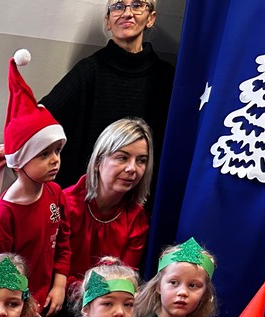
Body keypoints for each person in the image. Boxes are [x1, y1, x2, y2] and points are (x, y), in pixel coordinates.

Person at [39, 1, 173, 194]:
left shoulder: (166, 77)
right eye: (118, 6)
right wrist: (16, 148)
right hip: (90, 196)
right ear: (108, 21)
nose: (127, 13)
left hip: (141, 196)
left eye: (137, 5)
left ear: (150, 18)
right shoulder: (89, 70)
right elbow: (43, 115)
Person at [0, 53, 71, 317]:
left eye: (57, 151)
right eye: (44, 154)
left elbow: (64, 241)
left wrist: (59, 283)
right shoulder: (6, 213)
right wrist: (20, 303)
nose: (55, 160)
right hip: (15, 309)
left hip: (48, 300)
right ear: (19, 162)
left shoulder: (55, 193)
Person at [64, 118, 153, 286]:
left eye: (141, 160)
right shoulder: (65, 205)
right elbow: (51, 271)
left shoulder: (136, 217)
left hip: (110, 299)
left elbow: (124, 280)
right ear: (98, 162)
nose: (132, 168)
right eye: (122, 158)